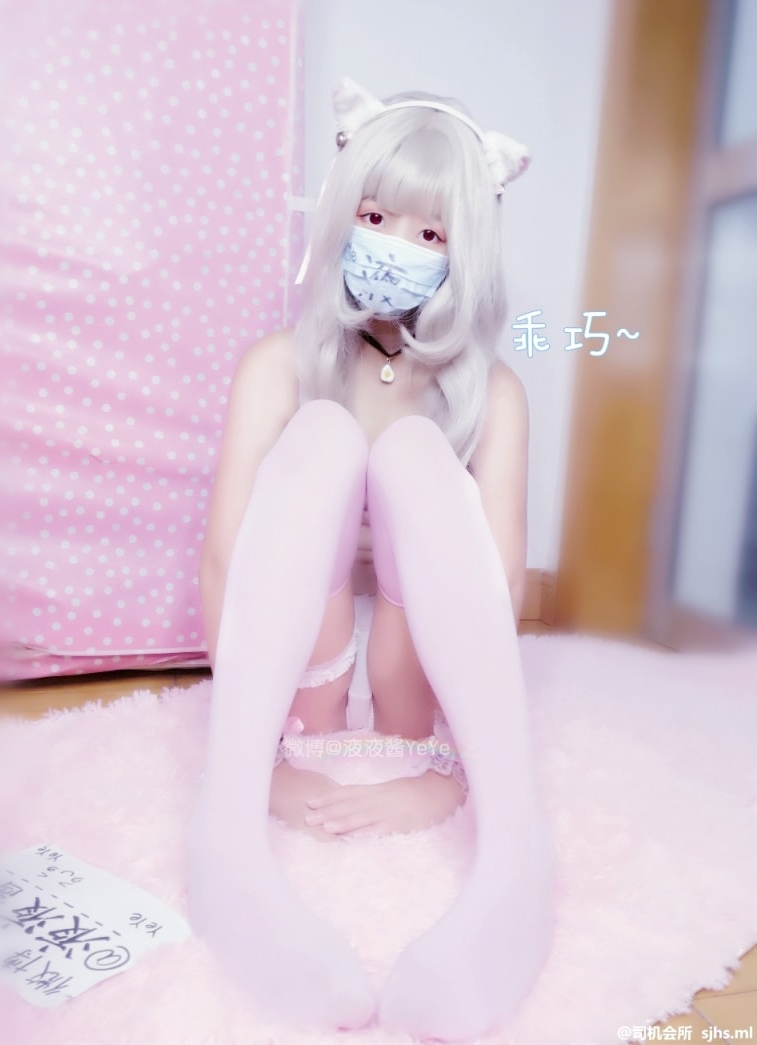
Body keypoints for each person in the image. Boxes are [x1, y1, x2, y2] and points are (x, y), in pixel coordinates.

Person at [187, 77, 555, 1042]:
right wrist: (257, 761)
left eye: (431, 232)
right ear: (342, 210)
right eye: (376, 215)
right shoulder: (277, 363)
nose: (396, 244)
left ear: (466, 251)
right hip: (296, 673)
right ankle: (228, 826)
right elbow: (226, 559)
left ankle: (514, 848)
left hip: (413, 679)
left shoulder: (494, 395)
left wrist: (448, 771)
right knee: (321, 440)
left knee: (415, 457)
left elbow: (496, 587)